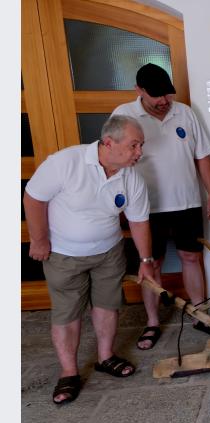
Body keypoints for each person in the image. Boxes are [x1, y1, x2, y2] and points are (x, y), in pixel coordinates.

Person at [23, 115, 154, 404]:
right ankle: (69, 372)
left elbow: (139, 220)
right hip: (64, 254)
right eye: (134, 145)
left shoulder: (131, 176)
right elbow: (33, 198)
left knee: (108, 305)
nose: (139, 152)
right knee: (67, 313)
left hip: (109, 252)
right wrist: (40, 239)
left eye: (140, 145)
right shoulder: (65, 163)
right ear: (109, 143)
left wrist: (146, 260)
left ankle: (105, 357)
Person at [112, 63, 210, 348]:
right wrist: (119, 203)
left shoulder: (184, 112)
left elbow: (203, 157)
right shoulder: (123, 116)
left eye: (167, 95)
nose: (163, 102)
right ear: (139, 91)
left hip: (186, 201)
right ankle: (152, 322)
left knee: (191, 257)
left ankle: (200, 313)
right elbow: (113, 163)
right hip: (144, 207)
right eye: (156, 96)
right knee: (151, 264)